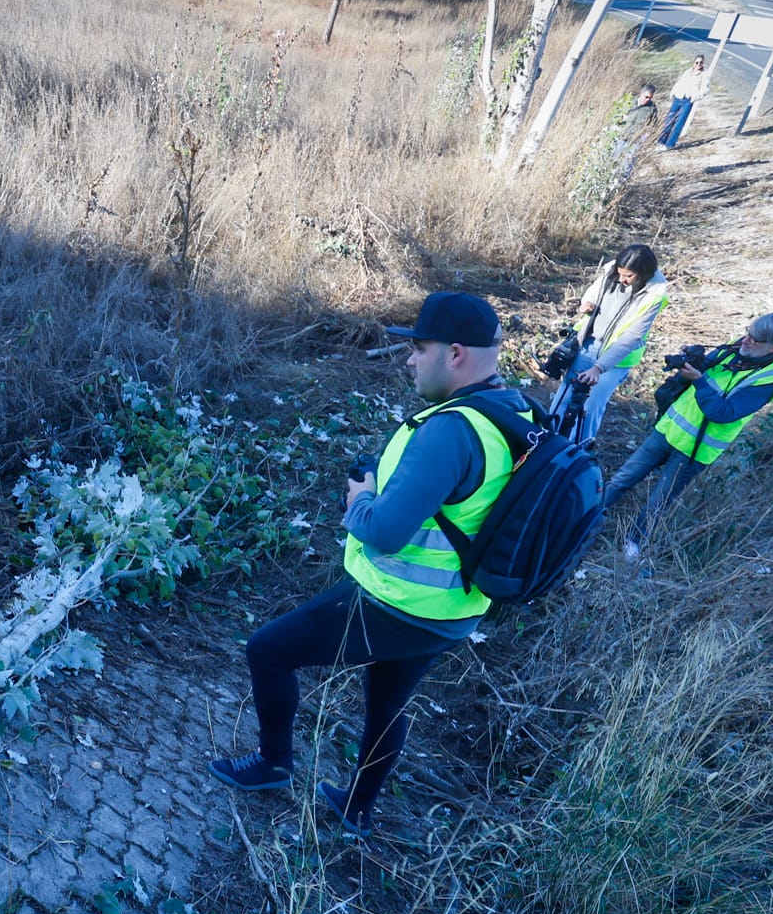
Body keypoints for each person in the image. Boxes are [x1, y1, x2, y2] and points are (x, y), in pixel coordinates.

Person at [208, 292, 533, 839]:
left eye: (418, 348)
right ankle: (356, 809)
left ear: (454, 354)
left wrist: (359, 497)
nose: (409, 359)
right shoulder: (515, 410)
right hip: (454, 610)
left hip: (396, 604)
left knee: (267, 651)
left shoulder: (452, 429)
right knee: (388, 699)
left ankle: (273, 764)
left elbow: (382, 533)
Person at [601, 310, 773, 561]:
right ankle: (589, 515)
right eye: (748, 332)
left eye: (755, 339)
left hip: (695, 451)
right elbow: (706, 367)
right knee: (622, 479)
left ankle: (633, 544)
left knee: (658, 501)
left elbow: (723, 412)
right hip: (667, 431)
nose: (746, 340)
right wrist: (694, 361)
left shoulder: (767, 381)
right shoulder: (736, 346)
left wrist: (698, 380)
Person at [555, 243, 670, 447]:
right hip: (588, 345)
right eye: (620, 273)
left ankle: (577, 451)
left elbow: (632, 337)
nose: (621, 280)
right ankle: (548, 439)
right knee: (564, 397)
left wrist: (599, 368)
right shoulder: (611, 272)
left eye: (628, 276)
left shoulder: (655, 295)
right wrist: (586, 303)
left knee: (591, 406)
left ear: (643, 273)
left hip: (617, 359)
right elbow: (594, 291)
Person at [661, 56, 708, 148]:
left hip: (687, 101)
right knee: (669, 120)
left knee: (679, 123)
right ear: (693, 63)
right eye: (697, 62)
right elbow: (679, 83)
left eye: (701, 62)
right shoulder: (687, 72)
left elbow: (705, 90)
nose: (698, 64)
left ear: (703, 64)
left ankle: (670, 144)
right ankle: (661, 141)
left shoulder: (704, 75)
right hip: (678, 98)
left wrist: (694, 97)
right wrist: (673, 93)